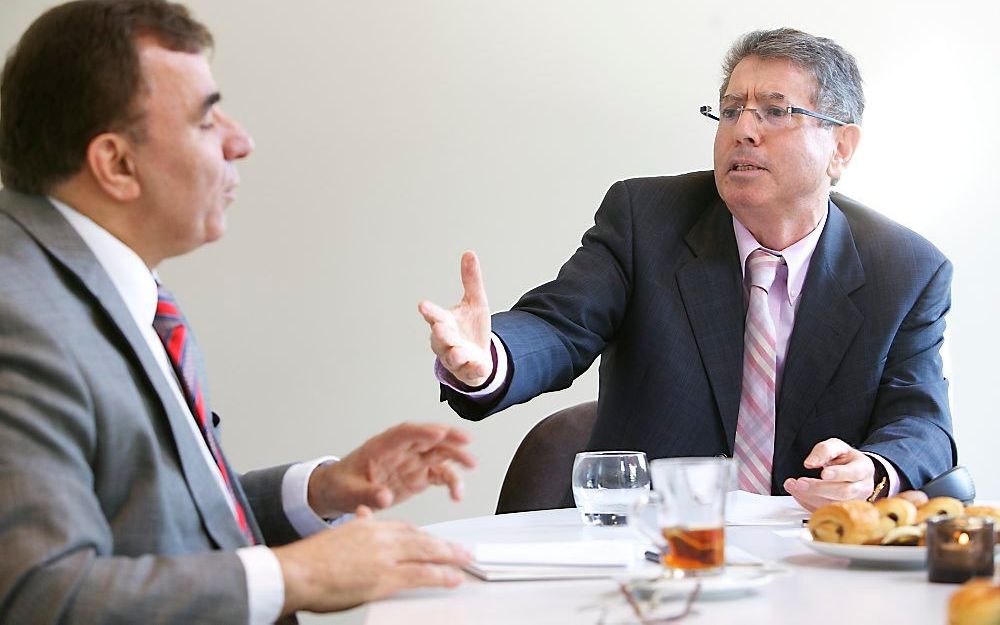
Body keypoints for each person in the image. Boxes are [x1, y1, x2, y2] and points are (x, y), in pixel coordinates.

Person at [0, 1, 475, 623]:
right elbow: (39, 596)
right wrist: (297, 573)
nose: (240, 141)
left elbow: (159, 525)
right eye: (205, 120)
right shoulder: (19, 318)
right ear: (116, 163)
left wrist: (319, 491)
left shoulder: (110, 286)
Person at [419, 28, 956, 512]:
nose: (744, 130)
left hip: (805, 551)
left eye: (773, 111)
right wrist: (490, 358)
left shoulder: (906, 270)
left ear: (840, 146)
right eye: (730, 110)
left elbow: (922, 420)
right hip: (641, 547)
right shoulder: (645, 219)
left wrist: (876, 471)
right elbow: (561, 324)